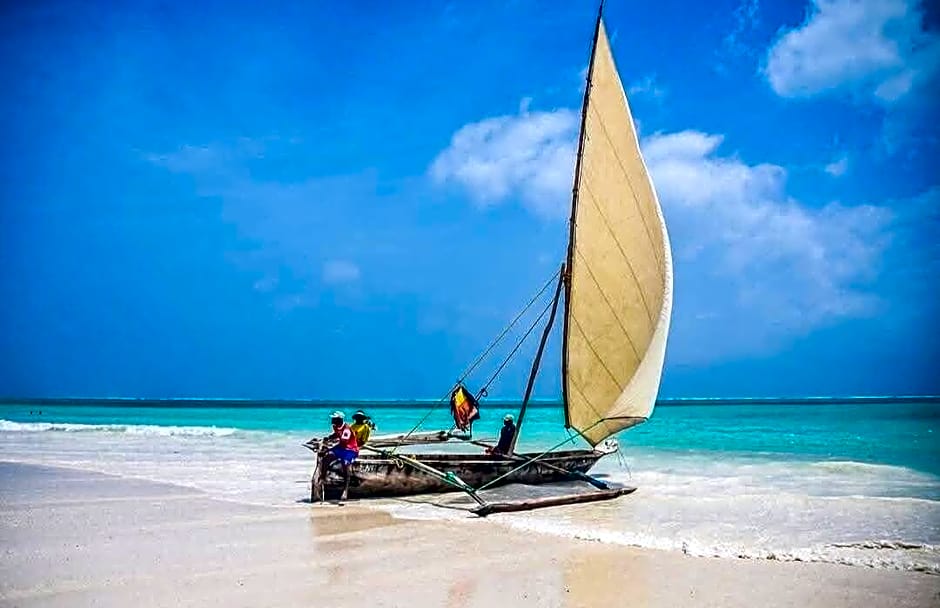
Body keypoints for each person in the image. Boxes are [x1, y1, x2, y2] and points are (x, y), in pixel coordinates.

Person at [315, 411, 359, 502]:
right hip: (342, 448)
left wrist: (328, 449)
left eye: (334, 418)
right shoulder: (335, 426)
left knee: (345, 463)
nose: (332, 419)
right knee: (327, 457)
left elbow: (343, 443)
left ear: (339, 419)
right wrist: (329, 437)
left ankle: (345, 490)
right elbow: (336, 434)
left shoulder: (346, 429)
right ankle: (322, 478)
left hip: (350, 449)